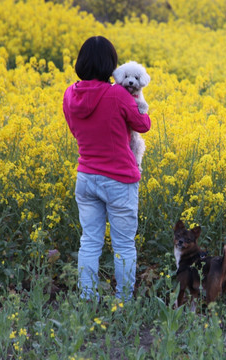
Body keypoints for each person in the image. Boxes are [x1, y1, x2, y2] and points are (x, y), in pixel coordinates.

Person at [63, 36, 151, 302]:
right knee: (123, 246)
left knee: (89, 242)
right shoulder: (117, 94)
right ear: (111, 65)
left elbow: (75, 130)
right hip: (119, 180)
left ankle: (88, 300)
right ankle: (123, 304)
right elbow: (143, 125)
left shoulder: (69, 93)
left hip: (86, 177)